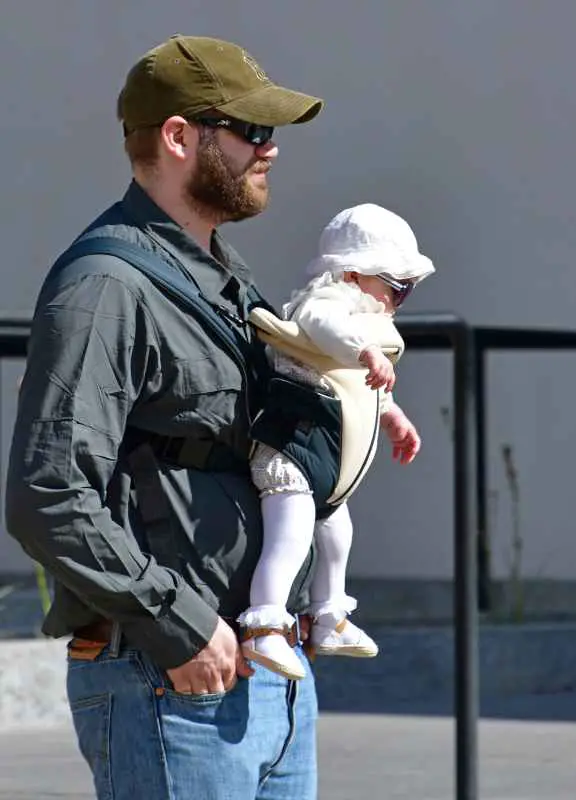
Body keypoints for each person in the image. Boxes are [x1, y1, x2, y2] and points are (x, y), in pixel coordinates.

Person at [4, 34, 415, 799]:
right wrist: (180, 625)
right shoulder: (105, 286)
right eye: (253, 130)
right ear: (179, 136)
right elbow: (48, 493)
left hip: (264, 674)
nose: (272, 150)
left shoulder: (226, 279)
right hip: (169, 678)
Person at [240, 203, 431, 680]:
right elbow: (327, 330)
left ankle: (329, 616)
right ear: (352, 274)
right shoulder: (324, 303)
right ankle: (265, 624)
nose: (398, 299)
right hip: (294, 451)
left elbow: (359, 390)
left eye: (407, 290)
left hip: (329, 463)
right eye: (395, 286)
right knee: (290, 536)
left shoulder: (364, 327)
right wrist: (366, 350)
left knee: (338, 536)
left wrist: (394, 417)